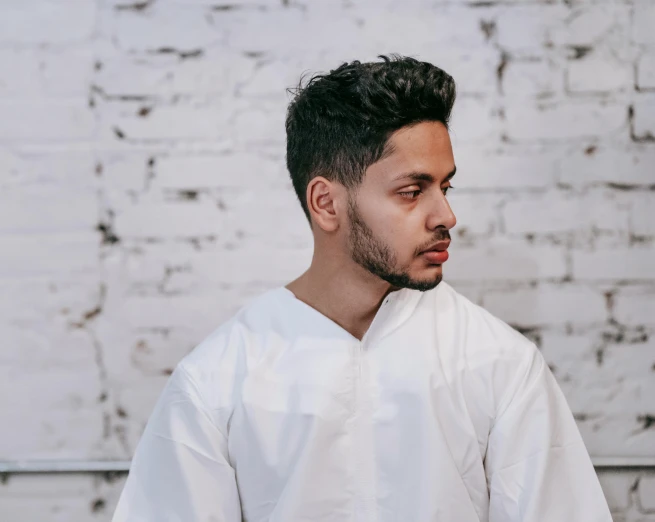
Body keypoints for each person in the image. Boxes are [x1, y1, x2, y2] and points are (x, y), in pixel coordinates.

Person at [110, 54, 612, 521]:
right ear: (326, 204)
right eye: (412, 192)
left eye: (446, 187)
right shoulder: (218, 381)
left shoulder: (499, 365)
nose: (446, 216)